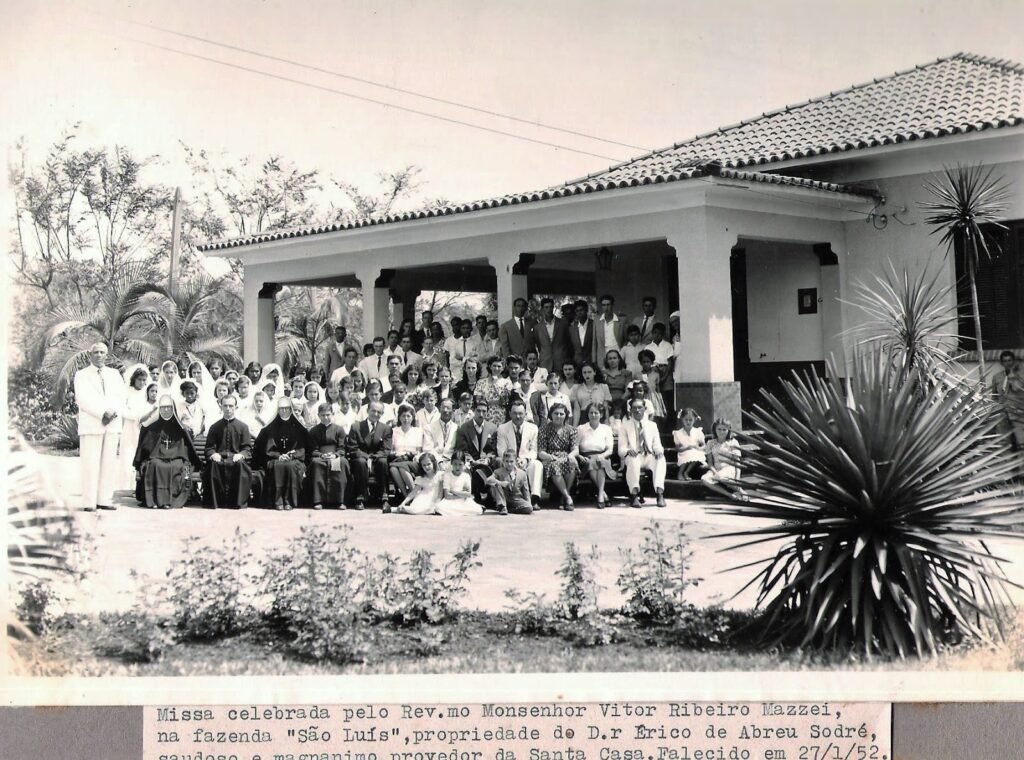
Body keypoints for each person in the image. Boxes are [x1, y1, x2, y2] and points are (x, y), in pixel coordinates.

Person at [74, 343, 126, 512]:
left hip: (112, 423)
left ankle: (104, 499)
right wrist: (102, 412)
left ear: (106, 355)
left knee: (109, 463)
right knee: (90, 463)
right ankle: (89, 502)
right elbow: (82, 399)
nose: (99, 355)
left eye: (102, 352)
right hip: (92, 423)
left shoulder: (115, 374)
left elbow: (121, 396)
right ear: (90, 355)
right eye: (95, 352)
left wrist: (113, 412)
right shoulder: (81, 375)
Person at [133, 395, 202, 509]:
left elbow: (186, 450)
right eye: (163, 407)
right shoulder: (153, 427)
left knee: (176, 466)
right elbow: (146, 449)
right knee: (154, 465)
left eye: (168, 407)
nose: (165, 410)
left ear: (173, 409)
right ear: (159, 409)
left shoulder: (181, 428)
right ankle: (153, 500)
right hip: (157, 458)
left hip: (176, 459)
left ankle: (169, 501)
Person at [253, 396, 309, 510]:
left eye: (287, 408)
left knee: (290, 466)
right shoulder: (270, 428)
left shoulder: (299, 428)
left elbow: (302, 448)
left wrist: (291, 455)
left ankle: (289, 501)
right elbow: (265, 448)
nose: (284, 411)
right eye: (281, 408)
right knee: (278, 465)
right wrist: (279, 456)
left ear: (291, 409)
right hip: (274, 459)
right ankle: (277, 501)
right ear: (277, 410)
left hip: (294, 460)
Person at [203, 395, 254, 509]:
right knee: (213, 465)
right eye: (225, 405)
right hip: (219, 460)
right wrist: (213, 453)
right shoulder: (214, 427)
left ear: (236, 407)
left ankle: (237, 502)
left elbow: (247, 449)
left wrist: (241, 455)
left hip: (236, 459)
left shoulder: (243, 427)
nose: (228, 408)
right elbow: (209, 448)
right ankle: (216, 502)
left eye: (231, 406)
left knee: (240, 465)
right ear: (221, 407)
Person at [620, 397, 667, 508]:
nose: (637, 410)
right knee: (633, 460)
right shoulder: (625, 426)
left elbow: (658, 444)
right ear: (630, 410)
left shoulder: (652, 425)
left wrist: (658, 450)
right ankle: (634, 495)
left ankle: (660, 494)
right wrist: (628, 450)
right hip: (634, 456)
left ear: (645, 409)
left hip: (648, 455)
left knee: (661, 459)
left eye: (640, 407)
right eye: (634, 408)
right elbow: (621, 450)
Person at [496, 399, 544, 507]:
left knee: (537, 464)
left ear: (525, 414)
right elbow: (501, 450)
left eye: (520, 413)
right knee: (500, 462)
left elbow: (534, 450)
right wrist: (512, 462)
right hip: (509, 462)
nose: (518, 416)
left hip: (525, 461)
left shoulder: (533, 428)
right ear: (510, 414)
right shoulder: (502, 428)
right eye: (515, 413)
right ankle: (506, 499)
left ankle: (534, 498)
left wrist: (526, 460)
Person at [119, 364, 159, 490]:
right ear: (134, 379)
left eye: (144, 380)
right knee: (128, 454)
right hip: (130, 426)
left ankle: (140, 485)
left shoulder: (146, 392)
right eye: (139, 379)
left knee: (142, 454)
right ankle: (126, 485)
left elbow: (150, 406)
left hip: (144, 426)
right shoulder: (127, 391)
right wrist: (135, 416)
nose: (142, 382)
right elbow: (123, 409)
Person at [346, 401, 393, 509]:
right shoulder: (356, 427)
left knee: (383, 461)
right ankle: (360, 497)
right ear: (367, 411)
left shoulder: (386, 429)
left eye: (379, 412)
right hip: (360, 459)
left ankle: (384, 497)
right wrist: (367, 458)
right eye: (373, 411)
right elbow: (353, 448)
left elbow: (386, 449)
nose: (376, 414)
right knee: (360, 462)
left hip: (377, 460)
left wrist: (373, 458)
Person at [306, 402, 350, 510]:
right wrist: (322, 455)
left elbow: (342, 448)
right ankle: (318, 500)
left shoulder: (339, 429)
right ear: (318, 415)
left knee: (341, 462)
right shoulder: (314, 431)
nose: (325, 417)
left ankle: (340, 501)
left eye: (328, 415)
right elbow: (313, 449)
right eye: (323, 415)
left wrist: (335, 455)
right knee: (316, 464)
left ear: (332, 414)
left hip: (335, 456)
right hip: (320, 457)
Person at [453, 397, 498, 504]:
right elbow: (462, 450)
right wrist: (472, 460)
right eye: (478, 411)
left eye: (484, 411)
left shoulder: (493, 428)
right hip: (471, 463)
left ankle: (492, 495)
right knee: (471, 470)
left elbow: (494, 450)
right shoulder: (464, 428)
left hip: (487, 463)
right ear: (473, 411)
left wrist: (487, 459)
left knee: (495, 464)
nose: (481, 414)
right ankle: (475, 494)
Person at [386, 403, 430, 510]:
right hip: (397, 459)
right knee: (393, 468)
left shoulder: (417, 431)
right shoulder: (394, 431)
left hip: (412, 461)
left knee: (399, 467)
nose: (406, 419)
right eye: (403, 416)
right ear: (399, 417)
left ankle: (411, 496)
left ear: (413, 417)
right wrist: (397, 454)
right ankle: (408, 496)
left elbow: (419, 451)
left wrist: (413, 455)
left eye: (408, 416)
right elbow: (391, 450)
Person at [537, 402, 580, 510]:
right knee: (554, 465)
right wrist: (549, 456)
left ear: (566, 415)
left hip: (566, 456)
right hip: (551, 458)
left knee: (572, 463)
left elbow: (575, 449)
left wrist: (571, 455)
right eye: (556, 413)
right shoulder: (543, 429)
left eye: (561, 414)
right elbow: (541, 451)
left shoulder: (572, 430)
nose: (558, 416)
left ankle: (564, 496)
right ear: (551, 414)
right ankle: (568, 498)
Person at [577, 402, 615, 508]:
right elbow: (575, 446)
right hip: (585, 459)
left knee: (599, 462)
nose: (593, 415)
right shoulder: (581, 428)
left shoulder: (606, 429)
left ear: (601, 414)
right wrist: (579, 456)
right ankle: (602, 494)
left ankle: (601, 495)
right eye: (591, 413)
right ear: (587, 414)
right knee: (592, 462)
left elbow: (610, 449)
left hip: (602, 457)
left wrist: (602, 455)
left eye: (596, 413)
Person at [702, 418, 748, 501]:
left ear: (728, 430)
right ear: (714, 430)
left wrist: (737, 478)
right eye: (719, 429)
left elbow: (737, 462)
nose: (721, 432)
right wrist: (715, 472)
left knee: (721, 476)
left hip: (729, 468)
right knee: (705, 479)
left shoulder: (733, 442)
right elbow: (710, 463)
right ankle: (730, 495)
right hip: (716, 469)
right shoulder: (710, 443)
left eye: (724, 429)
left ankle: (741, 491)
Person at [992, 350, 1024, 455]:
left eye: (1010, 360)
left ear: (1013, 361)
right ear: (1001, 363)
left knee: (1021, 442)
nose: (1008, 363)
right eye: (1005, 361)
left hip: (1018, 414)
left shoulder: (1020, 376)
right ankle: (1006, 467)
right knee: (1004, 442)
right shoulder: (997, 377)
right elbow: (994, 397)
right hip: (1003, 414)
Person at [486, 448, 534, 515]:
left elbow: (526, 491)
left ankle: (510, 510)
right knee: (495, 484)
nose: (509, 464)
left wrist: (529, 503)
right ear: (503, 461)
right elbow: (488, 480)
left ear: (515, 461)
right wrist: (500, 483)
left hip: (516, 498)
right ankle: (502, 506)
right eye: (507, 461)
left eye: (511, 461)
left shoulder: (522, 473)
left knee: (529, 508)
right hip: (503, 497)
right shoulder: (498, 472)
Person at [436, 451, 484, 516]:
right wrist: (462, 495)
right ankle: (460, 511)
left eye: (460, 464)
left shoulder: (466, 476)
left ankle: (459, 511)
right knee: (439, 508)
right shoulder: (447, 475)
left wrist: (453, 491)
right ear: (451, 464)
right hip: (450, 500)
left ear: (464, 464)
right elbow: (447, 495)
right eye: (455, 464)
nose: (457, 467)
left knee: (477, 510)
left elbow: (468, 494)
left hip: (463, 501)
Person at [532, 297, 571, 373]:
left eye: (551, 307)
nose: (549, 309)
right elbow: (539, 345)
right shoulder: (537, 327)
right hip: (545, 363)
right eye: (546, 307)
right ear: (542, 309)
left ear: (553, 308)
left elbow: (567, 342)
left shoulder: (563, 324)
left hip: (561, 362)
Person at [570, 360, 612, 425]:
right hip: (583, 418)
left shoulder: (603, 387)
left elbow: (605, 407)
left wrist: (607, 421)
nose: (587, 375)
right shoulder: (576, 387)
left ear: (594, 372)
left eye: (589, 372)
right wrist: (575, 427)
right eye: (584, 372)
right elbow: (576, 410)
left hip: (599, 417)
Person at [474, 355, 511, 426]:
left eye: (499, 366)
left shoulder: (507, 382)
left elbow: (505, 402)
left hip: (500, 416)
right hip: (484, 415)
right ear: (490, 366)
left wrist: (496, 385)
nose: (496, 368)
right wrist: (494, 402)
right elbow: (478, 401)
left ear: (503, 368)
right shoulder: (481, 382)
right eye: (494, 366)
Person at [673, 407, 708, 480]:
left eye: (690, 420)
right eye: (686, 420)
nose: (688, 422)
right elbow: (678, 449)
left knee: (696, 453)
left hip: (695, 451)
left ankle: (686, 472)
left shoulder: (697, 432)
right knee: (688, 454)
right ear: (682, 420)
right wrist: (687, 447)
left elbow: (704, 445)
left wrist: (699, 448)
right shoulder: (678, 433)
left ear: (694, 420)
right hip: (683, 452)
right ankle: (680, 472)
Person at [427, 398, 459, 470]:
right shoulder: (429, 427)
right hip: (434, 462)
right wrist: (439, 461)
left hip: (451, 463)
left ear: (453, 411)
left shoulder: (457, 428)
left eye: (448, 408)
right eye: (443, 407)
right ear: (439, 409)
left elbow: (458, 450)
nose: (445, 410)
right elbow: (428, 448)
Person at [594, 293, 627, 363]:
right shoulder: (597, 320)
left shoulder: (621, 320)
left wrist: (623, 353)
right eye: (603, 305)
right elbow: (594, 343)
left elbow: (626, 340)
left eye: (608, 305)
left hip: (618, 353)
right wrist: (594, 360)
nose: (606, 308)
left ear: (612, 305)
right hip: (602, 355)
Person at [569, 300, 596, 365]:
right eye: (577, 311)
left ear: (586, 310)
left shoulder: (594, 325)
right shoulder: (571, 329)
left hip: (592, 362)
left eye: (581, 310)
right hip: (577, 363)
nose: (579, 313)